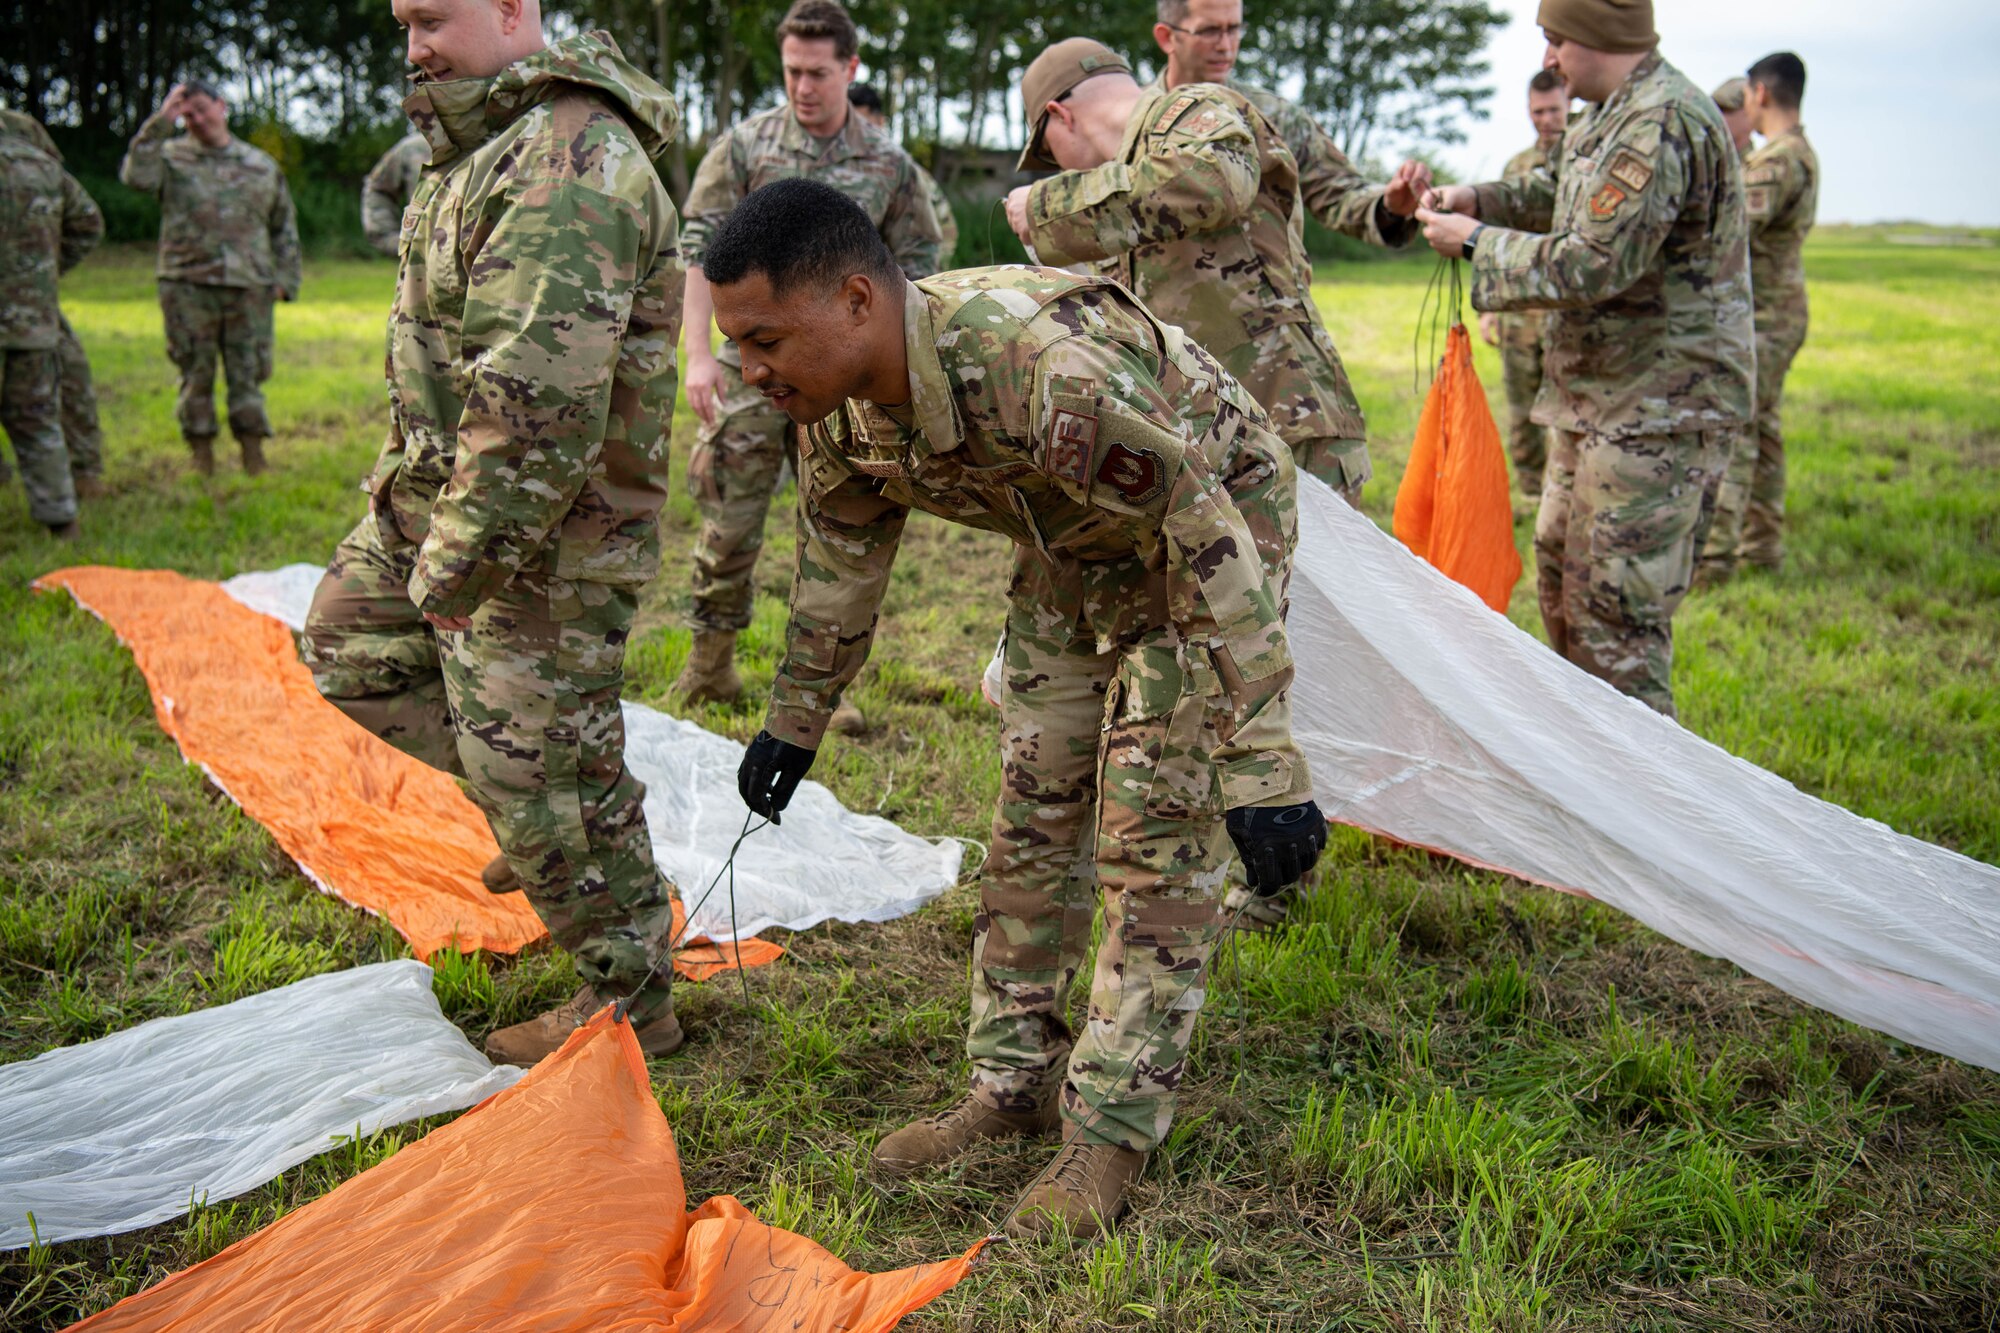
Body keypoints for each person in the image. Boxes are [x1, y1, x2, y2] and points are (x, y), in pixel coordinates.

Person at [710, 178, 1327, 1237]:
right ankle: (1009, 1086)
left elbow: (1204, 531)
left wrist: (1262, 763)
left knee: (1151, 835)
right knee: (1031, 814)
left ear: (857, 299)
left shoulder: (1039, 369)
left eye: (765, 338)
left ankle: (1107, 1133)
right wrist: (793, 723)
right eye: (735, 346)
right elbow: (838, 572)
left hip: (1205, 534)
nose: (748, 370)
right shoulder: (830, 411)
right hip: (1071, 547)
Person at [299, 0, 688, 1066]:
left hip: (540, 538)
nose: (413, 44)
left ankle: (631, 1000)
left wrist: (453, 574)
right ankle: (540, 805)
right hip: (433, 498)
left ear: (515, 10)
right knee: (346, 643)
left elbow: (535, 410)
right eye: (398, 24)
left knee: (548, 771)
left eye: (433, 18)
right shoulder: (480, 144)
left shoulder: (567, 157)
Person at [1413, 0, 1752, 719]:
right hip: (1598, 401)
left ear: (1601, 37)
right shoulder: (1611, 112)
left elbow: (1592, 262)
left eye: (1556, 39)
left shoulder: (1660, 121)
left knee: (1617, 628)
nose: (1549, 59)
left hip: (1656, 413)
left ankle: (1644, 817)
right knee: (1567, 601)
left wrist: (1476, 239)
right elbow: (1561, 196)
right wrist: (1478, 197)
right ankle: (1589, 805)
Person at [673, 0, 943, 720]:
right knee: (727, 520)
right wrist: (699, 357)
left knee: (834, 526)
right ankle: (710, 664)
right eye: (792, 71)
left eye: (818, 73)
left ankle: (828, 687)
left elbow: (916, 273)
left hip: (840, 384)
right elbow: (699, 256)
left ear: (850, 69)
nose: (803, 87)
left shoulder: (890, 165)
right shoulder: (744, 149)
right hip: (747, 376)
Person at [1144, 0, 1434, 502]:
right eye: (1209, 30)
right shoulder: (1131, 123)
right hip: (1168, 355)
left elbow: (1337, 192)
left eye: (1234, 29)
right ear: (1167, 36)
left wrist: (1388, 205)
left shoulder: (1268, 116)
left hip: (1271, 352)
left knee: (1311, 509)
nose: (1226, 44)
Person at [120, 80, 300, 477]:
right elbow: (136, 178)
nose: (196, 119)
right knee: (194, 374)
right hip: (187, 285)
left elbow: (283, 226)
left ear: (222, 106)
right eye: (186, 114)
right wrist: (160, 122)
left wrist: (286, 279)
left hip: (249, 287)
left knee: (248, 373)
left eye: (201, 108)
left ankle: (253, 454)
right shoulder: (168, 158)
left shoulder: (260, 164)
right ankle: (201, 458)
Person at [1, 109, 102, 538]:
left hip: (31, 316)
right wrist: (39, 273)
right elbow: (88, 223)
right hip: (32, 320)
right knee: (38, 418)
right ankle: (62, 521)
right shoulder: (41, 166)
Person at [1736, 51, 1818, 572]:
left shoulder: (1780, 159)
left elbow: (1728, 230)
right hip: (1774, 311)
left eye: (1746, 94)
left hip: (1767, 316)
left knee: (1743, 434)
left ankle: (1728, 554)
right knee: (1761, 430)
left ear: (1760, 93)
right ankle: (1761, 548)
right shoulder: (1794, 153)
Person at [1476, 68, 1569, 511]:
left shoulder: (1581, 165)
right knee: (1521, 409)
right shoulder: (1517, 168)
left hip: (1564, 310)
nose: (1546, 120)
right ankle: (1532, 493)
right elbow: (1493, 238)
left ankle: (1562, 492)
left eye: (1553, 110)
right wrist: (1488, 309)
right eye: (1538, 112)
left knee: (1565, 407)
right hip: (1518, 311)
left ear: (1568, 106)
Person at [1695, 74, 1758, 582]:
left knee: (1737, 439)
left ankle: (1721, 555)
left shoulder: (1758, 168)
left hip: (1745, 323)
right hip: (1719, 323)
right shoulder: (1723, 160)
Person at [847, 82, 958, 258]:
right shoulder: (839, 171)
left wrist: (925, 281)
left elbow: (945, 230)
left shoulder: (903, 171)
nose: (859, 134)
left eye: (865, 125)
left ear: (880, 122)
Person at [360, 131, 430, 256]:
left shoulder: (477, 149)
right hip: (423, 267)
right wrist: (392, 240)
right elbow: (378, 189)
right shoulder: (414, 148)